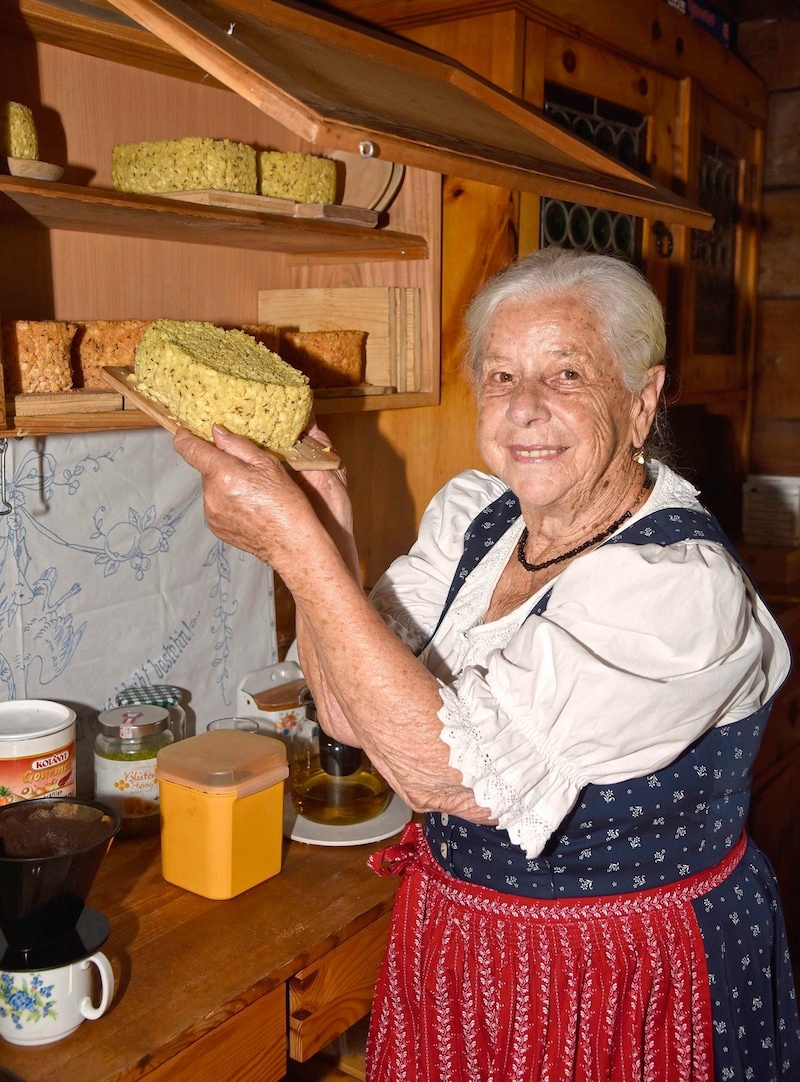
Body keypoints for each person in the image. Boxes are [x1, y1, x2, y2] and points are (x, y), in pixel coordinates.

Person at [173, 247, 800, 1081]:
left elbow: (444, 776)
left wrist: (297, 552)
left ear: (641, 400)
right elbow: (351, 716)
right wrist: (328, 527)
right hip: (459, 944)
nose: (525, 408)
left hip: (624, 976)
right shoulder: (477, 520)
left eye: (567, 373)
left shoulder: (678, 589)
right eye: (500, 376)